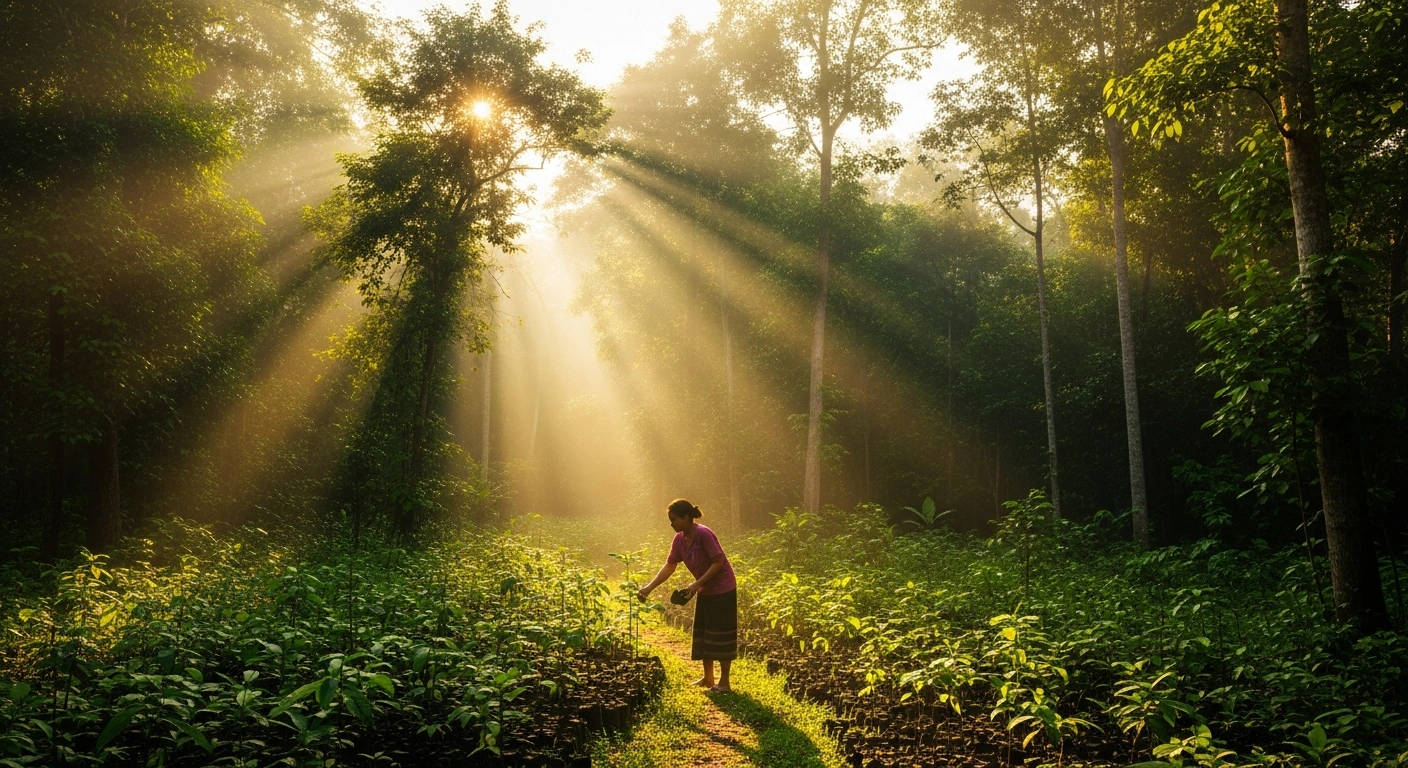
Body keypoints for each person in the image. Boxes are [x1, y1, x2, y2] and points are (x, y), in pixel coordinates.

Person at [637, 498, 738, 692]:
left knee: (722, 634)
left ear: (686, 517)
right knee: (704, 631)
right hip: (704, 588)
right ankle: (708, 678)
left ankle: (724, 682)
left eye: (674, 519)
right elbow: (670, 565)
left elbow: (718, 562)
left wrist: (696, 584)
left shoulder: (704, 534)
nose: (671, 523)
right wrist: (649, 588)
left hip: (723, 588)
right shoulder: (680, 539)